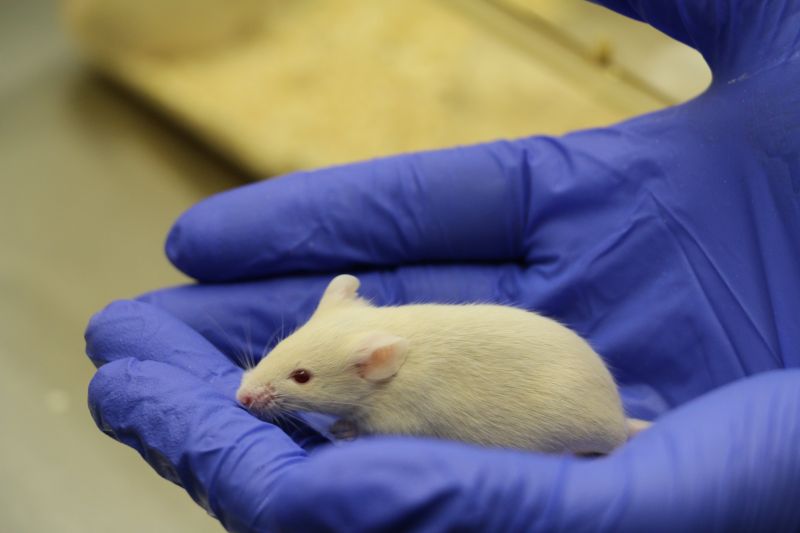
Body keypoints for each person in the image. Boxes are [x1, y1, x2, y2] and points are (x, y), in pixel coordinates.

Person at [85, 1, 800, 531]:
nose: (260, 386)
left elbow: (396, 426)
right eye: (286, 368)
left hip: (575, 411)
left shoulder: (390, 381)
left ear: (376, 363)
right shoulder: (365, 348)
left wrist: (351, 428)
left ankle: (604, 438)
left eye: (298, 378)